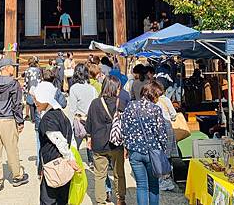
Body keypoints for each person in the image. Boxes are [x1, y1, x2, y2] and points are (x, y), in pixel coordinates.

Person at [122, 81, 179, 205]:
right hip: (152, 151)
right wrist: (163, 150)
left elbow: (124, 129)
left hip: (135, 150)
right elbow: (161, 133)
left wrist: (127, 146)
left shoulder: (131, 106)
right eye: (157, 96)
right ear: (153, 95)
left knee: (141, 185)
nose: (158, 99)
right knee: (153, 186)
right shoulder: (155, 109)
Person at [33, 82, 80, 205]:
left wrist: (70, 158)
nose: (35, 102)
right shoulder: (60, 114)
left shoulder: (49, 118)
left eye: (38, 98)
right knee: (62, 200)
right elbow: (71, 139)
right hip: (64, 167)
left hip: (53, 167)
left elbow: (59, 140)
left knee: (48, 200)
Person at [0, 58, 29, 193]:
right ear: (6, 68)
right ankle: (17, 176)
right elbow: (17, 105)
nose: (14, 69)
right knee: (12, 150)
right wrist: (20, 121)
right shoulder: (14, 84)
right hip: (8, 120)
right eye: (12, 66)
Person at [86, 76, 127, 205]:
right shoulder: (120, 103)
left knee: (99, 175)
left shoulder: (95, 103)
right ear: (115, 88)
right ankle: (120, 198)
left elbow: (89, 125)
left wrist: (89, 138)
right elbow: (125, 125)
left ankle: (100, 201)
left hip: (98, 143)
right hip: (116, 143)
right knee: (119, 173)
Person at [67, 63, 97, 164]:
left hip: (78, 121)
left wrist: (69, 126)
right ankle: (91, 162)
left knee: (75, 147)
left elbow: (72, 109)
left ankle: (76, 165)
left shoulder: (74, 88)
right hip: (90, 121)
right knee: (90, 143)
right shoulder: (92, 89)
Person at [25, 57, 43, 123]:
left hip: (30, 88)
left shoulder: (27, 70)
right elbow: (41, 79)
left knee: (31, 104)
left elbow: (26, 81)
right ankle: (37, 117)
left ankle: (33, 119)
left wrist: (25, 90)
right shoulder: (38, 70)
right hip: (37, 88)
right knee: (37, 103)